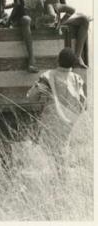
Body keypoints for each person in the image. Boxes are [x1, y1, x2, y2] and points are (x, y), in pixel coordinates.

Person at [26, 48, 87, 179]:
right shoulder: (77, 79)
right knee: (62, 151)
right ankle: (62, 179)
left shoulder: (48, 76)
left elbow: (31, 97)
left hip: (51, 120)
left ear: (58, 60)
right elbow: (83, 102)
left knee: (48, 153)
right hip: (69, 122)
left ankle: (56, 180)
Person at [37, 0, 90, 68]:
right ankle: (54, 23)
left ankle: (78, 57)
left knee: (84, 20)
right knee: (53, 16)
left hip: (58, 13)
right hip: (49, 14)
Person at [9, 0, 51, 73]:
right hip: (26, 20)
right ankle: (31, 58)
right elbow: (16, 10)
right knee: (26, 19)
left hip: (38, 20)